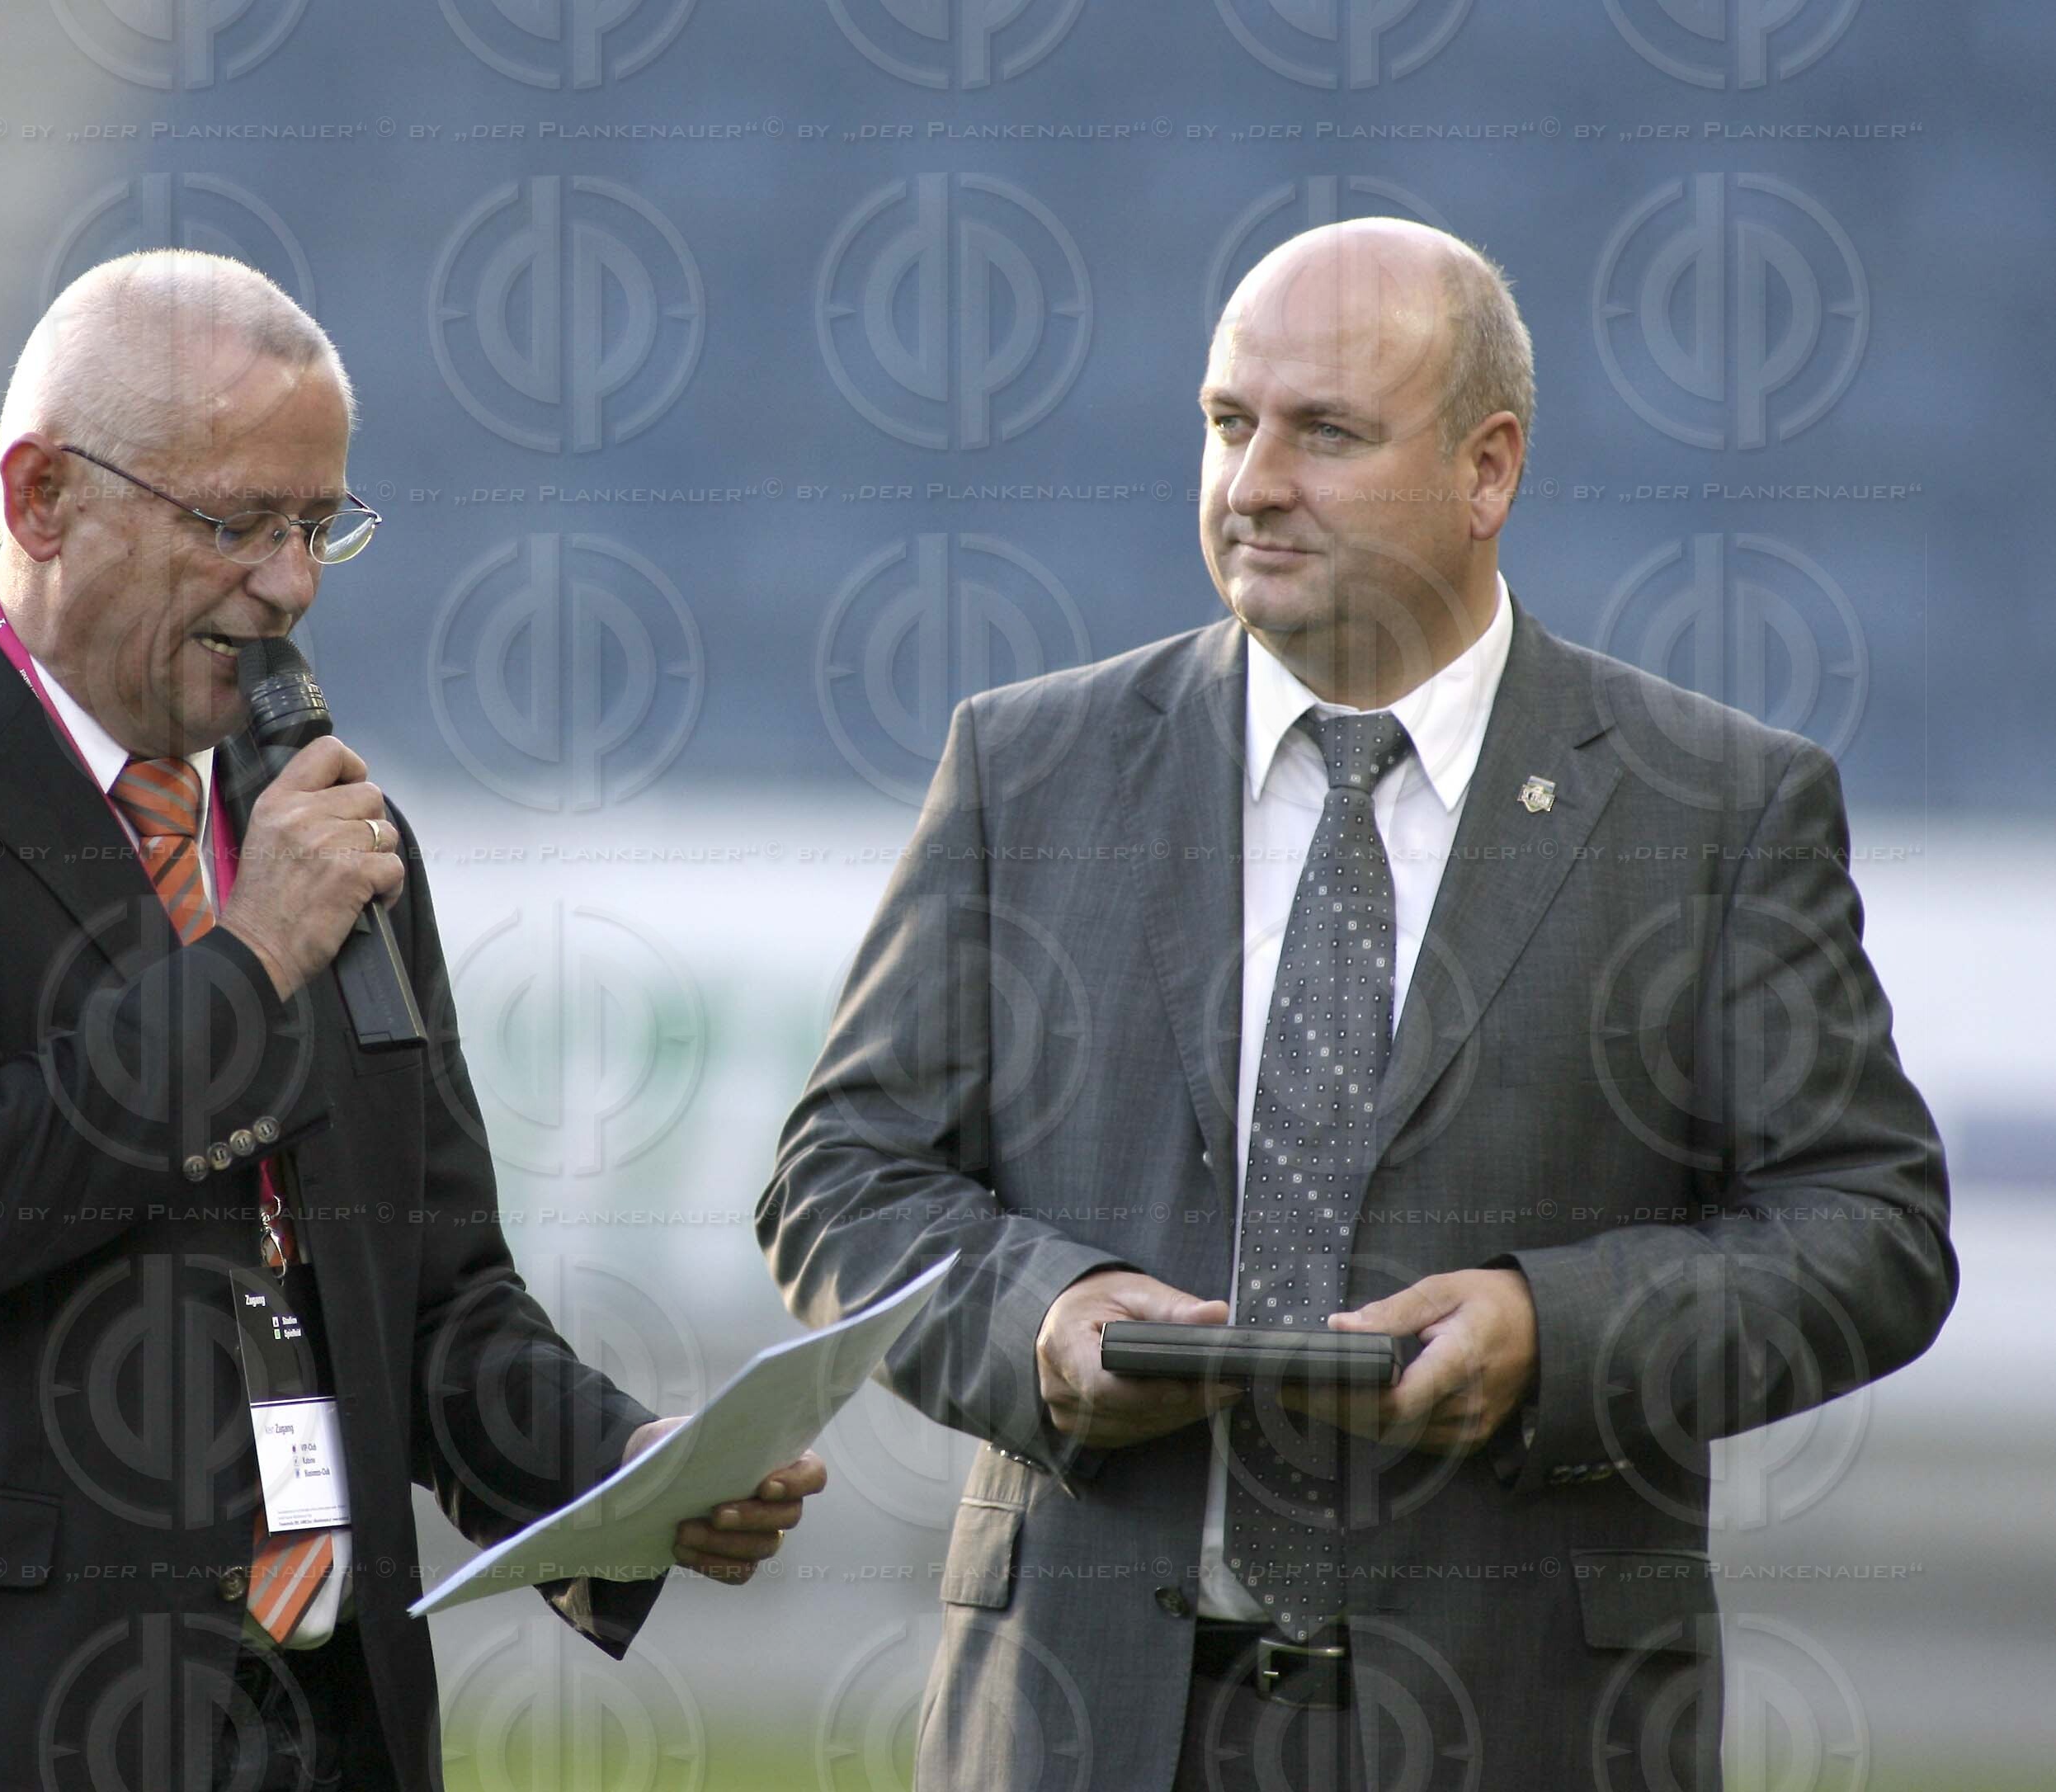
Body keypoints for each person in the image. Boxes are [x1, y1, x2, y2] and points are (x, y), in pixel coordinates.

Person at [758, 219, 1952, 1790]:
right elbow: (841, 1177)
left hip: (1526, 1727)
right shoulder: (1028, 767)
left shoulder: (1712, 807)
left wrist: (1554, 1333)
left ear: (1484, 471)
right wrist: (1036, 1319)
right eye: (1225, 422)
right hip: (1081, 1721)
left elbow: (1868, 1232)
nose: (1251, 483)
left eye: (1323, 433)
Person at [0, 248, 823, 1792]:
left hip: (312, 1724)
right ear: (41, 498)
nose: (290, 584)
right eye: (235, 524)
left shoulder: (325, 830)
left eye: (315, 524)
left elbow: (435, 1291)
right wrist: (253, 951)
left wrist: (622, 1465)